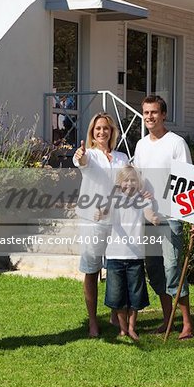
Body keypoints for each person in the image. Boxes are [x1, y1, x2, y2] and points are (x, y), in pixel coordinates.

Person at [134, 95, 194, 340]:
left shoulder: (176, 143)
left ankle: (187, 323)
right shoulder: (141, 145)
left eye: (153, 112)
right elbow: (137, 178)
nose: (149, 117)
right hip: (148, 217)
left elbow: (190, 181)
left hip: (171, 216)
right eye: (146, 113)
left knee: (173, 267)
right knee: (154, 270)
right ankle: (166, 319)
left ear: (163, 115)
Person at [73, 113, 128, 338]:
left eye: (106, 128)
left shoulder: (122, 157)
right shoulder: (90, 155)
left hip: (117, 221)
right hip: (92, 221)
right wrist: (81, 155)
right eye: (98, 129)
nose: (102, 132)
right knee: (91, 270)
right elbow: (81, 162)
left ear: (112, 131)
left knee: (115, 269)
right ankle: (93, 321)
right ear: (92, 132)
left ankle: (115, 313)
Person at [95, 165, 159, 340]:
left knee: (135, 295)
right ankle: (123, 328)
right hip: (115, 255)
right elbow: (106, 210)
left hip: (135, 256)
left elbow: (148, 212)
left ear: (138, 183)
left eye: (133, 180)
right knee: (117, 295)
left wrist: (153, 217)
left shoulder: (142, 199)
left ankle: (132, 327)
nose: (129, 183)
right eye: (126, 180)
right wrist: (100, 213)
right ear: (119, 183)